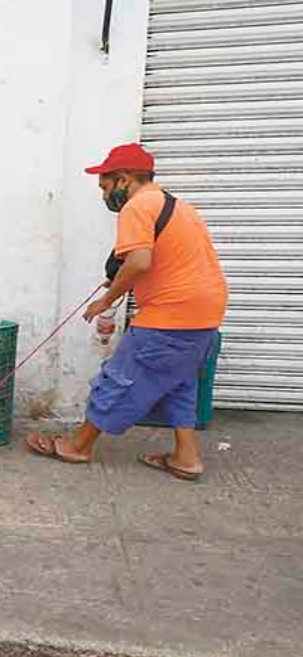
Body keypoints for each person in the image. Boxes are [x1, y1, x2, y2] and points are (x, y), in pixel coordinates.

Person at [27, 143, 228, 481]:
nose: (105, 196)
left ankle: (78, 445)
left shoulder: (137, 207)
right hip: (205, 312)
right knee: (179, 381)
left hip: (171, 314)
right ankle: (186, 457)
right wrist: (120, 282)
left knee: (119, 378)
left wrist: (105, 302)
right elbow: (163, 261)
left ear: (123, 179)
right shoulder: (178, 206)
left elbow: (138, 261)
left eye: (106, 187)